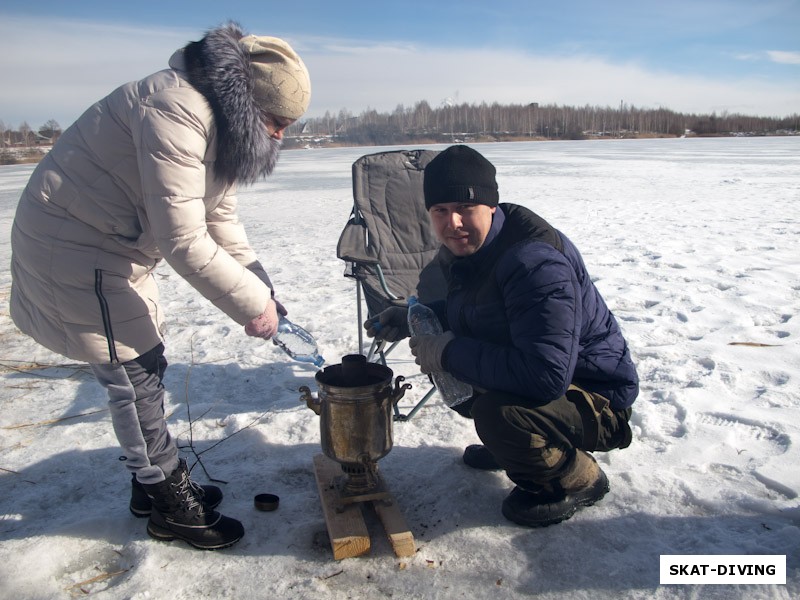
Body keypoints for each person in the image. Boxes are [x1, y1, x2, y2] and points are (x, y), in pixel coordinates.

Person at [9, 23, 311, 550]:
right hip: (74, 244)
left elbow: (218, 213)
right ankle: (170, 508)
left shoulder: (221, 121)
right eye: (277, 122)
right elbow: (183, 239)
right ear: (247, 102)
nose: (281, 135)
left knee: (146, 363)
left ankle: (150, 484)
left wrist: (259, 283)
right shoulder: (176, 109)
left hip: (115, 244)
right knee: (133, 372)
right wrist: (251, 305)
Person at [365, 145, 638, 527]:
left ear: (490, 206)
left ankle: (577, 478)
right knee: (463, 381)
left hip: (598, 397)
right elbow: (483, 312)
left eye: (465, 208)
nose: (453, 222)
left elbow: (546, 376)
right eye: (440, 211)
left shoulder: (534, 263)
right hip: (557, 379)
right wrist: (414, 315)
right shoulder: (475, 248)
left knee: (498, 413)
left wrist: (447, 351)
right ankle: (516, 445)